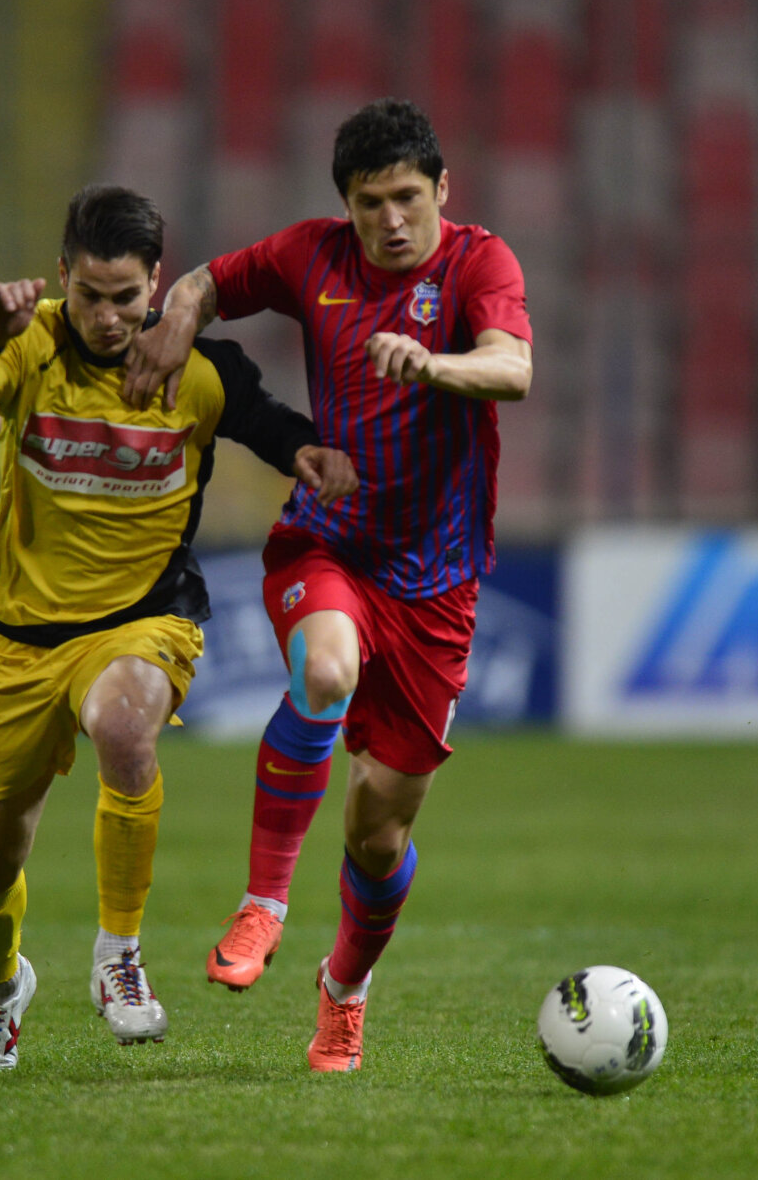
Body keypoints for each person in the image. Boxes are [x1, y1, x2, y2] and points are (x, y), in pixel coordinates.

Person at [124, 98, 534, 1072]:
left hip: (437, 584)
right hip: (331, 545)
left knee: (380, 834)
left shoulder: (480, 262)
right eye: (368, 202)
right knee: (326, 667)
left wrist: (433, 364)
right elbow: (205, 281)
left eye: (406, 197)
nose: (390, 220)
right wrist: (177, 317)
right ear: (343, 205)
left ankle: (344, 985)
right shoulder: (311, 257)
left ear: (442, 189)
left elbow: (513, 367)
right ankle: (264, 899)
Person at [0, 184, 357, 1068]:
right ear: (63, 277)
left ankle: (120, 957)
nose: (109, 318)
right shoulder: (24, 338)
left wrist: (306, 453)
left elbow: (264, 420)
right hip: (18, 637)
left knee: (124, 724)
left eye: (127, 296)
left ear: (158, 282)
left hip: (142, 621)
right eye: (89, 295)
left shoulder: (196, 365)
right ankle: (0, 987)